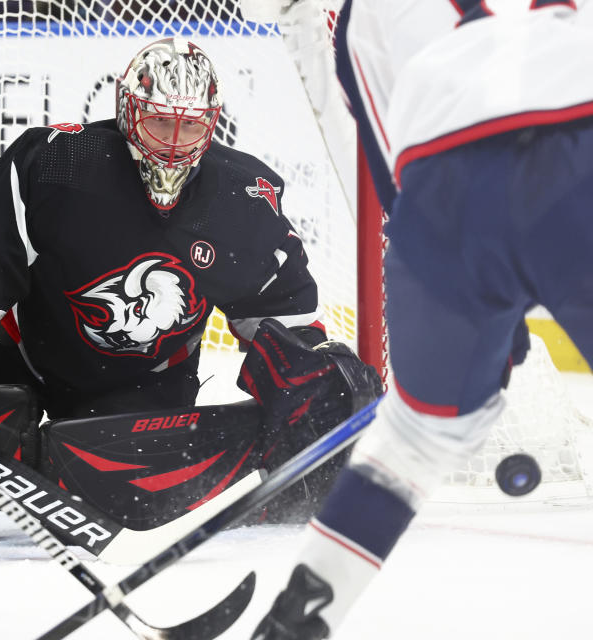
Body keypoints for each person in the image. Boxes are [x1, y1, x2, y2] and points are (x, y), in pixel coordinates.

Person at [247, 2, 593, 638]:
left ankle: (291, 626)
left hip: (443, 186)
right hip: (576, 138)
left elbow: (396, 189)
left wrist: (484, 305)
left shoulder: (355, 19)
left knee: (416, 440)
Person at [0, 37, 382, 516]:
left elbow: (282, 318)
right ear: (128, 110)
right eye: (160, 120)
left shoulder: (240, 197)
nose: (173, 142)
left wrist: (315, 391)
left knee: (329, 386)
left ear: (212, 123)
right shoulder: (58, 164)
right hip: (22, 357)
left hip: (142, 388)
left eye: (190, 126)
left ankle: (45, 459)